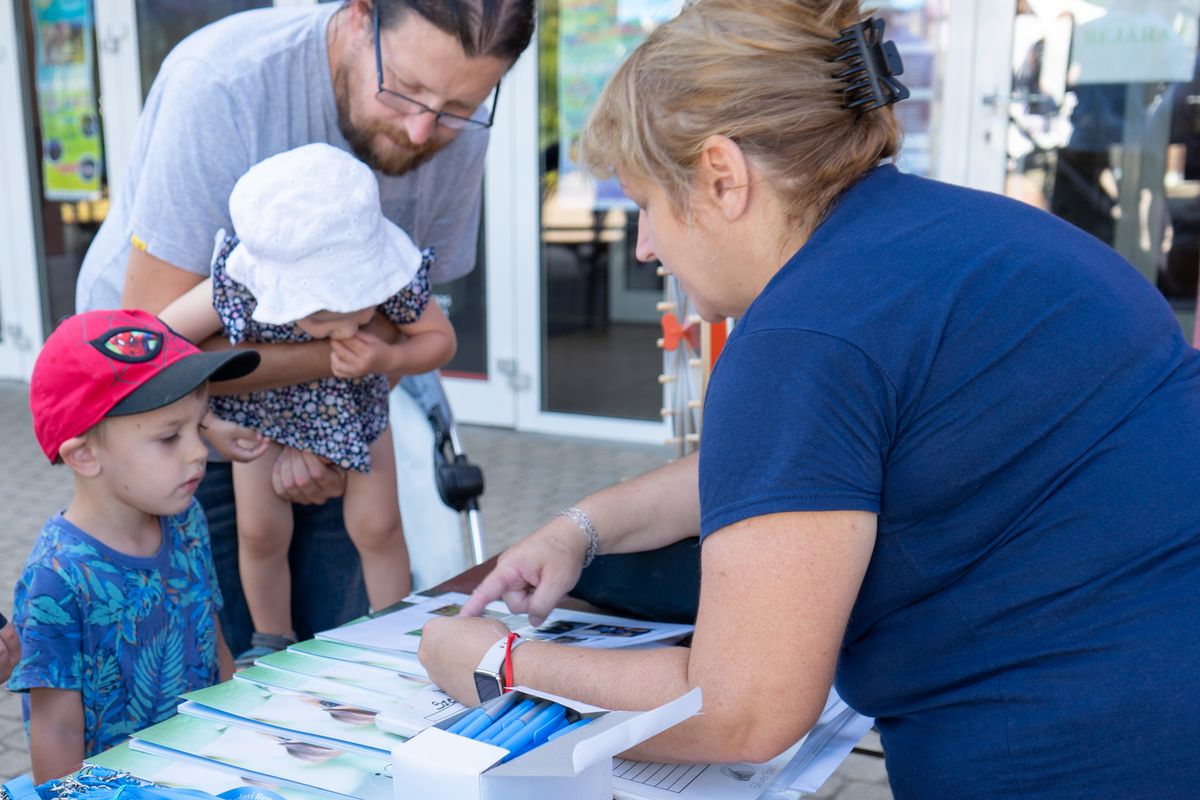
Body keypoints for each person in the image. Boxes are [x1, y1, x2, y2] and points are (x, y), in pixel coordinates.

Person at [417, 1, 1200, 797]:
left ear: (722, 177)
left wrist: (496, 662)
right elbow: (806, 468)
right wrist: (581, 528)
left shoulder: (802, 334)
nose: (645, 246)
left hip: (1075, 752)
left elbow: (743, 712)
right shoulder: (974, 235)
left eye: (646, 204)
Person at [73, 0, 535, 655]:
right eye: (405, 89)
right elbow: (157, 343)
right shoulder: (221, 84)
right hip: (171, 399)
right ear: (356, 17)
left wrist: (336, 413)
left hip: (325, 400)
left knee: (346, 620)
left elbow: (405, 322)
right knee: (214, 638)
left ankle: (394, 656)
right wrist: (316, 386)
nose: (423, 128)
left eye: (458, 106)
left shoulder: (454, 112)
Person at [161, 143, 456, 662]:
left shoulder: (393, 272)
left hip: (357, 413)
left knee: (378, 525)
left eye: (357, 311)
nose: (342, 330)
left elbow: (440, 340)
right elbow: (163, 345)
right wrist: (207, 424)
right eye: (321, 318)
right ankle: (270, 639)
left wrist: (387, 355)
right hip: (262, 416)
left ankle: (399, 635)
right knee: (260, 532)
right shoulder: (240, 278)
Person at [10, 309, 262, 782]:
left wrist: (243, 741)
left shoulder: (187, 518)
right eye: (170, 437)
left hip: (210, 777)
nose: (197, 452)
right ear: (84, 455)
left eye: (199, 427)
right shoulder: (57, 578)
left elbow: (213, 639)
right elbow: (56, 734)